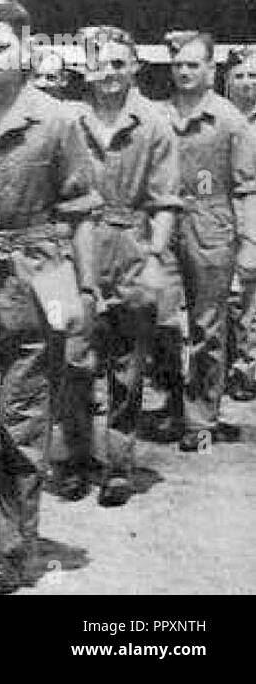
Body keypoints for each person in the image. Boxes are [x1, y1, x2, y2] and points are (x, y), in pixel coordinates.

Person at [0, 0, 102, 595]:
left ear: (26, 50)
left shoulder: (58, 121)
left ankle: (17, 551)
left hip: (34, 279)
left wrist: (87, 289)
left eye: (1, 46)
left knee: (22, 420)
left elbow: (83, 211)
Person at [71, 26, 180, 506]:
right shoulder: (70, 120)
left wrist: (155, 259)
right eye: (101, 63)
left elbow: (166, 202)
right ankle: (74, 459)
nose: (109, 73)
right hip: (76, 247)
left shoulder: (154, 124)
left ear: (135, 67)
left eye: (119, 63)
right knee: (72, 358)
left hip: (133, 247)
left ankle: (118, 464)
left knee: (126, 366)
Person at [160, 31, 256, 451]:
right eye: (178, 64)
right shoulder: (157, 116)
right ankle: (171, 405)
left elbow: (246, 188)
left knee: (207, 325)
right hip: (163, 221)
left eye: (193, 64)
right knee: (160, 318)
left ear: (210, 70)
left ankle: (200, 418)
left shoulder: (230, 120)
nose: (184, 71)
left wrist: (249, 243)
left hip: (212, 223)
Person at [224, 48, 256, 403]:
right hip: (222, 217)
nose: (247, 84)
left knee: (250, 301)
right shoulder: (220, 117)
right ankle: (233, 367)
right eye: (240, 76)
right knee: (230, 300)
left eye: (254, 76)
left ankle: (248, 369)